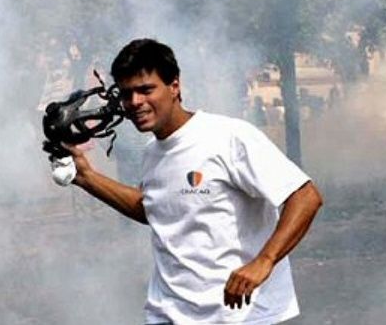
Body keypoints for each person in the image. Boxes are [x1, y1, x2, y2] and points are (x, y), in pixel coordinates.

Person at [61, 39, 323, 324]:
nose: (135, 102)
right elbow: (155, 208)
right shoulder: (152, 152)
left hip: (241, 316)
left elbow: (305, 196)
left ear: (175, 86)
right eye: (127, 94)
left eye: (146, 89)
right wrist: (86, 177)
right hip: (168, 313)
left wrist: (264, 261)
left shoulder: (229, 137)